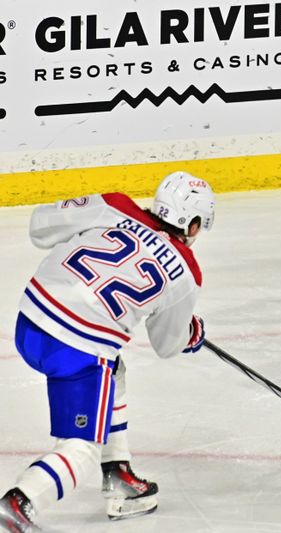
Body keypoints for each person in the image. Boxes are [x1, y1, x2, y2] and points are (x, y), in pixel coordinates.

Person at [0, 171, 214, 532]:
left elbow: (40, 226)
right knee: (81, 450)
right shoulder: (186, 274)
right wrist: (190, 332)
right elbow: (167, 344)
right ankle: (20, 503)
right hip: (76, 350)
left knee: (115, 368)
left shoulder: (115, 206)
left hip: (30, 319)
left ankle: (118, 473)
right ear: (192, 225)